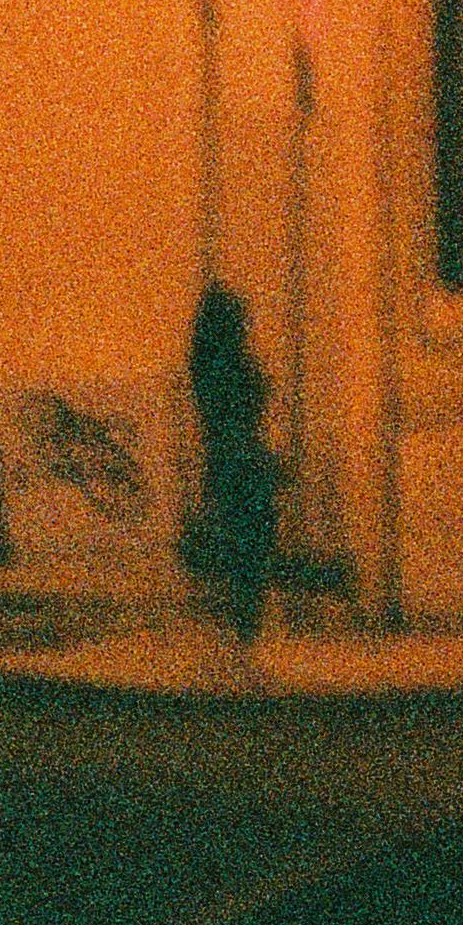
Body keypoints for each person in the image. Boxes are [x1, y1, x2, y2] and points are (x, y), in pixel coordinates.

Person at [185, 277, 280, 647]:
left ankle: (242, 626)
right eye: (242, 318)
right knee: (252, 542)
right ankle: (245, 626)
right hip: (243, 460)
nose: (248, 324)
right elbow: (241, 416)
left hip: (225, 460)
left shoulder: (207, 365)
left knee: (242, 542)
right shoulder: (230, 366)